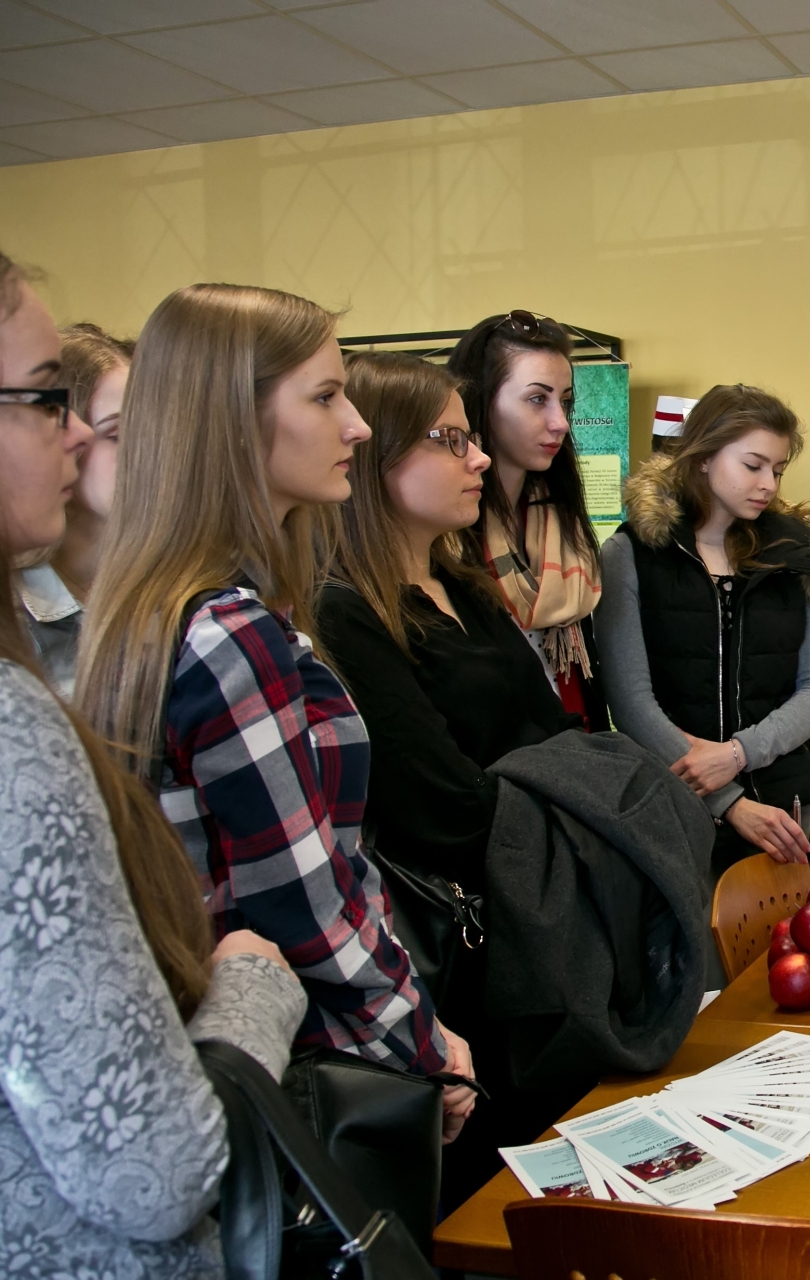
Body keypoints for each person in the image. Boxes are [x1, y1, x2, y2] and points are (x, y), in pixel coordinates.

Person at [73, 284, 475, 1140]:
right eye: (325, 397)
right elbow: (301, 899)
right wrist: (420, 1043)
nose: (355, 427)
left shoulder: (163, 606)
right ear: (232, 419)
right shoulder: (229, 630)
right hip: (303, 1061)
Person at [0, 250, 307, 1274]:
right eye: (44, 398)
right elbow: (155, 1168)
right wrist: (253, 987)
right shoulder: (15, 728)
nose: (76, 434)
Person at [315, 351, 578, 1206]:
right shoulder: (343, 611)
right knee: (487, 1199)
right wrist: (559, 798)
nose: (479, 459)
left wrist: (545, 787)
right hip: (455, 948)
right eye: (451, 440)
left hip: (531, 916)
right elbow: (445, 807)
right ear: (379, 455)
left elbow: (567, 742)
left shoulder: (463, 584)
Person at [596, 384, 810, 878]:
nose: (768, 485)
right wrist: (728, 801)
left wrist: (737, 755)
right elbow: (629, 703)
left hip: (785, 812)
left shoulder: (793, 556)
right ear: (703, 457)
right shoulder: (630, 555)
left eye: (778, 470)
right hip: (673, 811)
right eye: (753, 465)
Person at [446, 311, 607, 729]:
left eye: (565, 401)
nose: (560, 422)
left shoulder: (562, 520)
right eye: (538, 399)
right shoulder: (446, 536)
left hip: (578, 738)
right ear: (482, 401)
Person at [13, 323, 130, 693]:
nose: (148, 453)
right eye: (117, 435)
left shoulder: (180, 587)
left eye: (152, 433)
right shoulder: (14, 616)